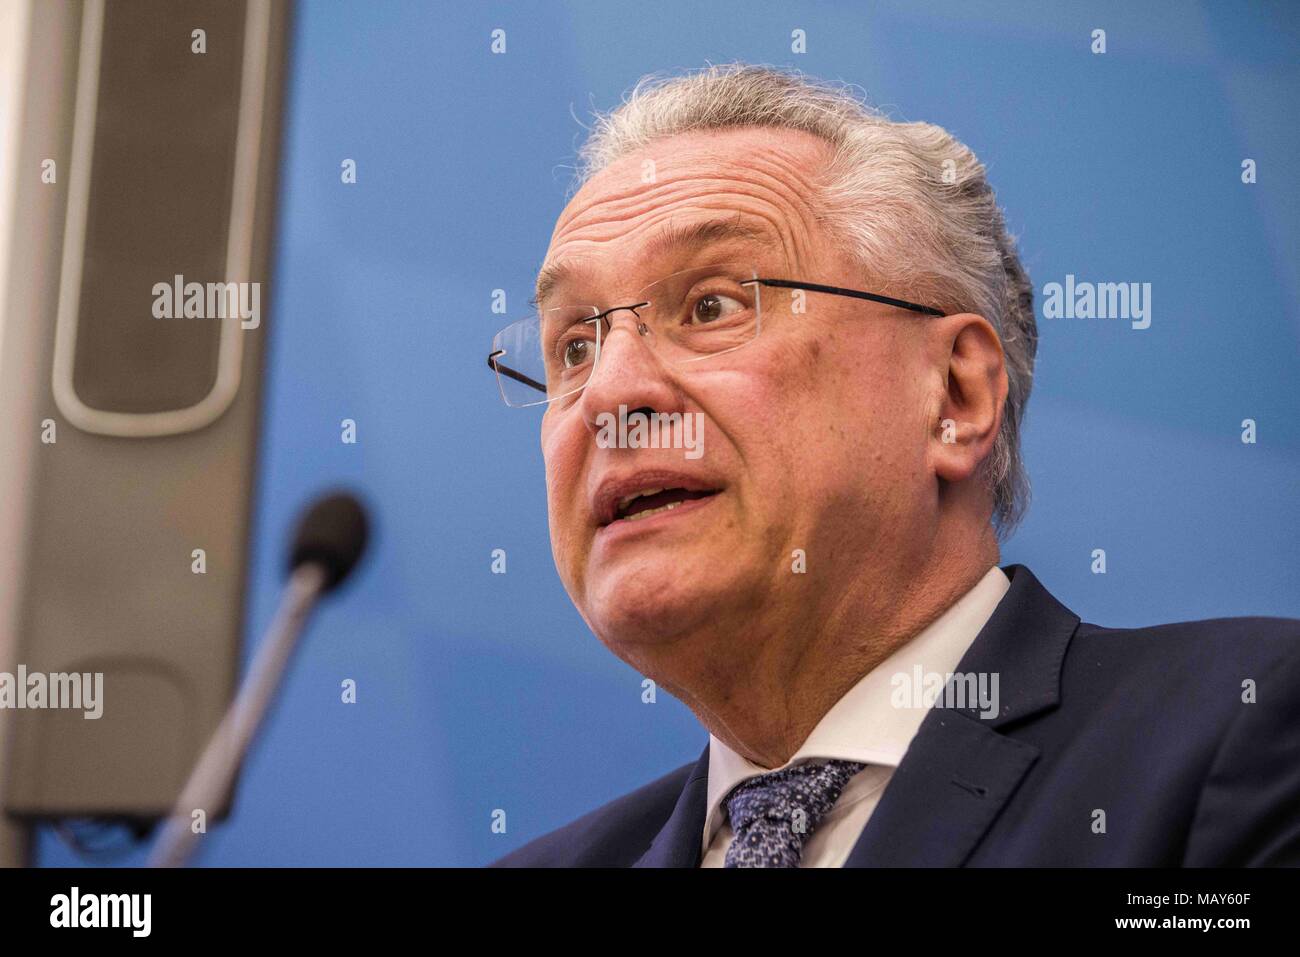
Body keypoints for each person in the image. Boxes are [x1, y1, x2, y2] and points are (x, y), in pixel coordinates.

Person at [485, 64, 1300, 867]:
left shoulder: (1244, 732)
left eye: (712, 306)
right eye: (575, 346)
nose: (609, 396)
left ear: (953, 395)